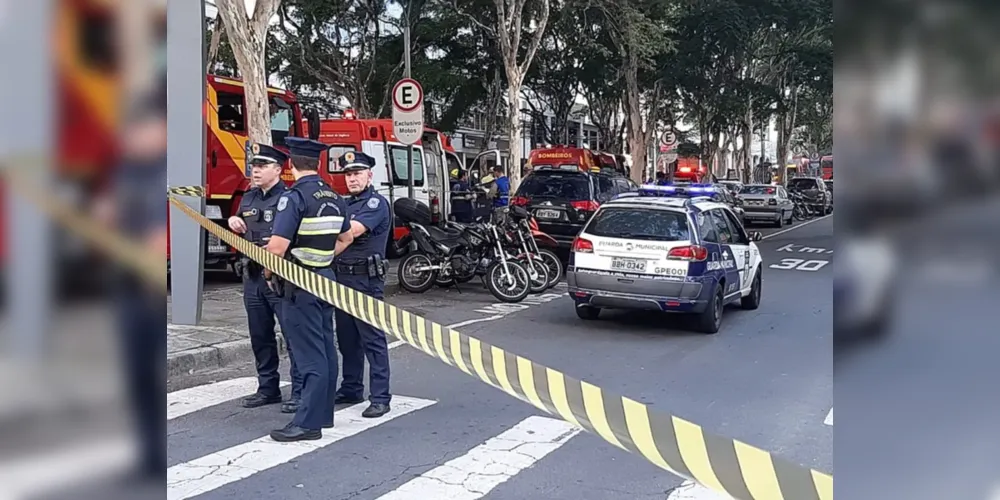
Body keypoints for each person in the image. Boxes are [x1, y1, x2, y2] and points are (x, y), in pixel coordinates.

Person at [264, 137, 354, 441]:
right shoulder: (334, 196)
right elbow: (346, 239)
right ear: (316, 164)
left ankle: (307, 424)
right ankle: (323, 414)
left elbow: (276, 248)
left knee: (308, 356)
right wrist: (323, 259)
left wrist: (267, 272)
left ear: (290, 164)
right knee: (327, 350)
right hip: (326, 280)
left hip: (299, 284)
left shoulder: (295, 198)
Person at [227, 143, 303, 413]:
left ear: (278, 170)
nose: (255, 171)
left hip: (280, 277)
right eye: (254, 166)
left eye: (261, 167)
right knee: (260, 335)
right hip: (253, 276)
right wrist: (233, 222)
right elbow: (240, 222)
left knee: (292, 336)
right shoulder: (249, 197)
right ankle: (268, 388)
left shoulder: (290, 198)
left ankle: (299, 391)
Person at [333, 151, 393, 418]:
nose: (352, 179)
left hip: (365, 280)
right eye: (348, 174)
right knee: (347, 339)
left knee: (372, 340)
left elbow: (351, 232)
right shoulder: (346, 204)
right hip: (342, 277)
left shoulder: (374, 204)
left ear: (370, 175)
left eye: (356, 173)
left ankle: (380, 397)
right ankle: (351, 387)